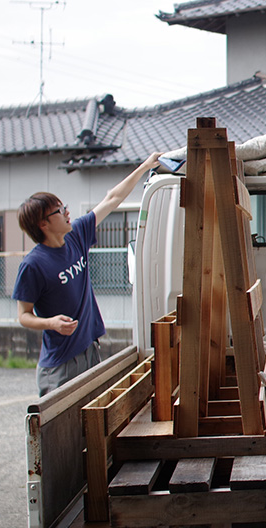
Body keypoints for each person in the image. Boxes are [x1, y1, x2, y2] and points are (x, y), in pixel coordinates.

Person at [13, 152, 161, 396]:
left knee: (92, 423)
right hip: (60, 364)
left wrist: (146, 165)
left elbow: (112, 199)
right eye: (60, 210)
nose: (67, 212)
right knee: (61, 431)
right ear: (43, 224)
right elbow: (23, 315)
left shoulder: (76, 236)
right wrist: (50, 323)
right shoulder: (33, 265)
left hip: (90, 350)